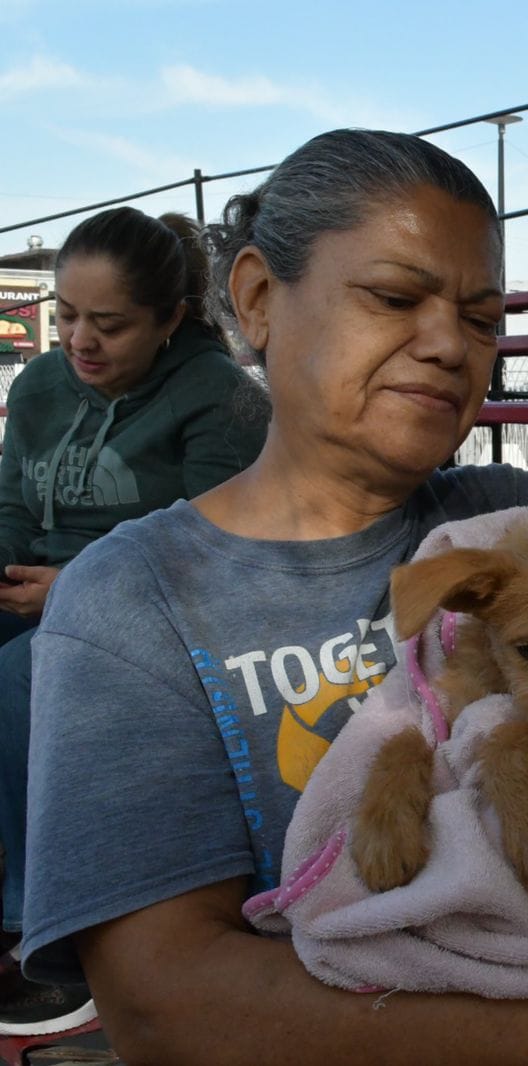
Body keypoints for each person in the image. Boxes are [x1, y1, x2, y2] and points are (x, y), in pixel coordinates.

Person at [17, 129, 528, 1064]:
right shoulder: (133, 605)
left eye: (482, 321)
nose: (448, 346)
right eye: (395, 298)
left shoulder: (517, 523)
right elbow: (163, 1004)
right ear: (259, 298)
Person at [0, 206, 269, 1036]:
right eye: (69, 315)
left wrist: (76, 585)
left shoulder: (219, 396)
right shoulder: (42, 384)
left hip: (155, 602)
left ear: (170, 319)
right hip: (38, 586)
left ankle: (35, 934)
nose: (80, 340)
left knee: (20, 677)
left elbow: (214, 537)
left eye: (109, 325)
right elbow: (11, 499)